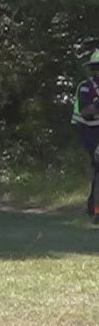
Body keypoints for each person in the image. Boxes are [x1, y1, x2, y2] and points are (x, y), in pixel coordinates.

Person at [77, 50, 99, 223]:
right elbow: (85, 112)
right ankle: (97, 211)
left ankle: (93, 206)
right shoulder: (86, 87)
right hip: (92, 135)